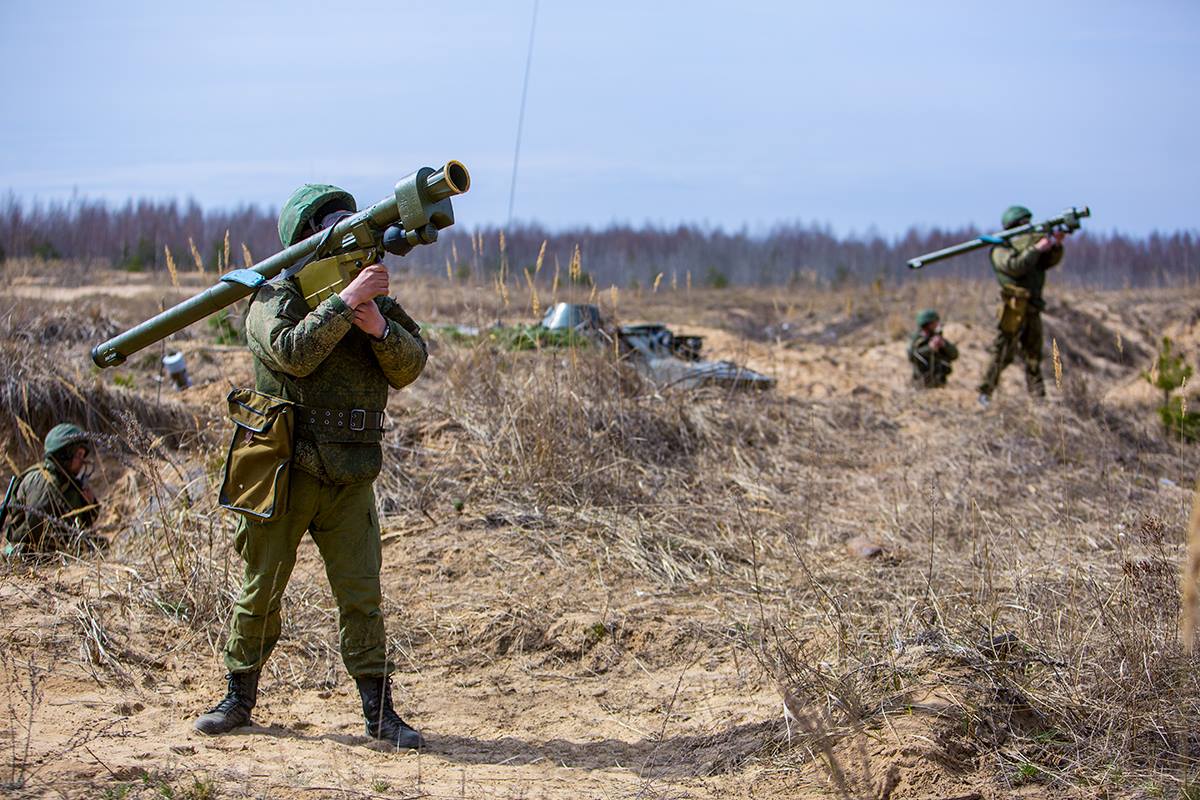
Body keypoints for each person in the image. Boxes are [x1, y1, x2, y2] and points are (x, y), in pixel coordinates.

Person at [193, 184, 429, 749]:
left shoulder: (373, 305)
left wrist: (377, 327)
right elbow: (293, 352)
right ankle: (238, 697)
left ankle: (379, 714)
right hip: (285, 473)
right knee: (261, 590)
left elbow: (411, 364)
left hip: (349, 477)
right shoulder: (273, 298)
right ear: (307, 242)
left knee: (361, 595)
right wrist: (345, 304)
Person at [977, 205, 1066, 407]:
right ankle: (985, 393)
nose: (1028, 228)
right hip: (1013, 308)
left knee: (1033, 355)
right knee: (1002, 352)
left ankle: (1038, 397)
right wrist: (1035, 248)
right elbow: (1015, 267)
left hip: (1033, 307)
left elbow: (1048, 262)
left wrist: (1055, 245)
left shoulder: (1029, 247)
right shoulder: (1000, 249)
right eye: (1023, 224)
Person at [2, 423, 102, 556]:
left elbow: (84, 522)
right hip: (25, 554)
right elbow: (36, 527)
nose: (82, 461)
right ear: (64, 454)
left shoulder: (67, 482)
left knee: (101, 545)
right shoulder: (42, 480)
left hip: (51, 552)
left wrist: (91, 504)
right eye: (79, 455)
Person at [907, 309, 957, 388]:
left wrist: (944, 345)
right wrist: (929, 348)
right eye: (935, 323)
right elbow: (912, 356)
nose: (937, 325)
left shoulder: (937, 337)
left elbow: (954, 355)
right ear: (928, 324)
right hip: (921, 383)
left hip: (940, 383)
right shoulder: (917, 340)